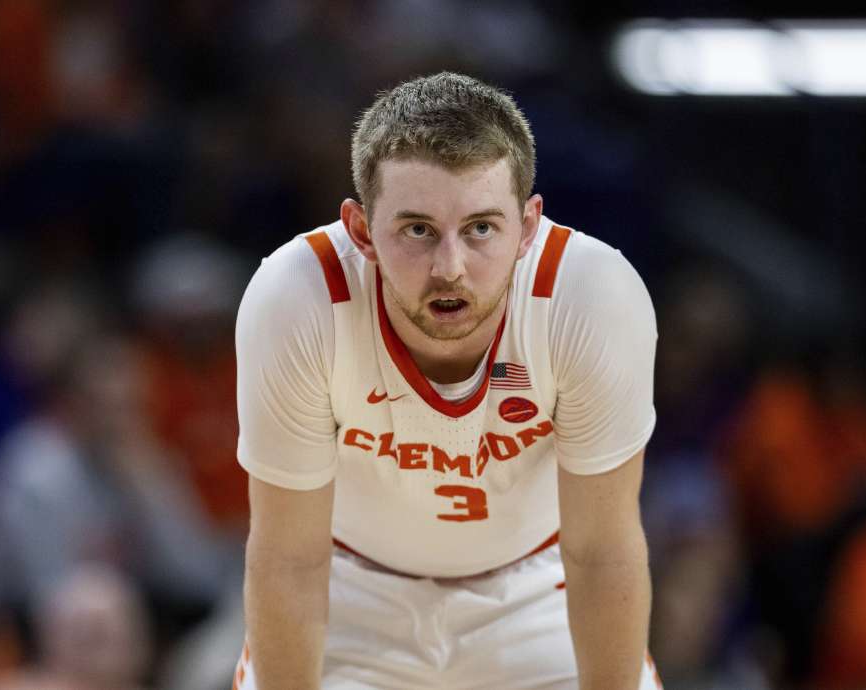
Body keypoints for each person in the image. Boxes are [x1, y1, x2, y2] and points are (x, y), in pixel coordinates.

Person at [234, 72, 662, 689]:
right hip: (349, 588)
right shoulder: (296, 298)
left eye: (482, 228)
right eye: (417, 230)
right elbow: (289, 559)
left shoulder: (590, 297)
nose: (449, 268)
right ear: (361, 231)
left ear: (528, 226)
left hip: (539, 587)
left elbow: (602, 552)